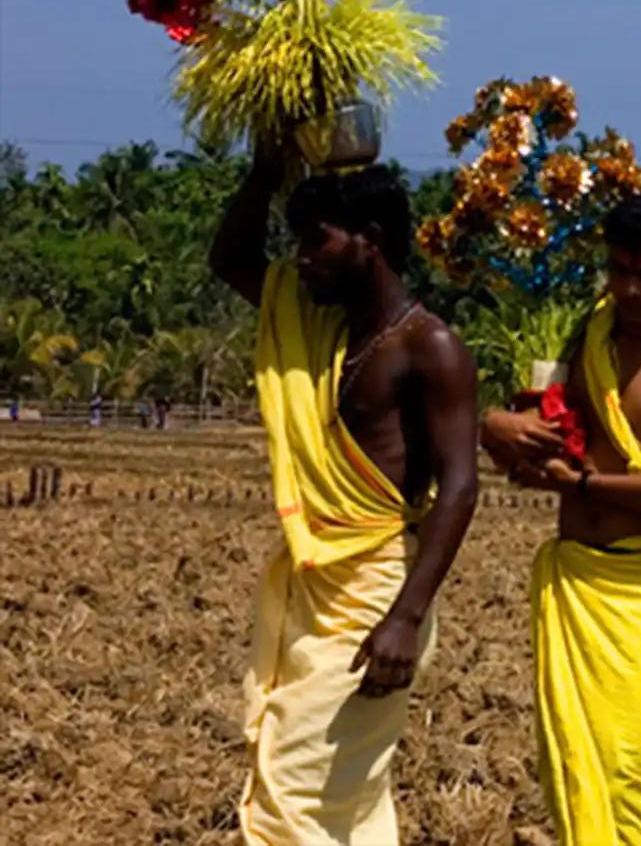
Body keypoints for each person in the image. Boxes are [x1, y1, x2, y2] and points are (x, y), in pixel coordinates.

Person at [210, 150, 480, 844]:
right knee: (349, 803)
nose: (300, 260)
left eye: (317, 239)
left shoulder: (431, 347)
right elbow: (230, 256)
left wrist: (405, 618)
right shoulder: (323, 327)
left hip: (374, 592)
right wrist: (269, 161)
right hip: (313, 582)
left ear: (372, 241)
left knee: (293, 797)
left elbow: (459, 485)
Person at [481, 191, 641, 845]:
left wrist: (587, 482)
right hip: (575, 585)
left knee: (628, 770)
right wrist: (503, 427)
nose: (628, 289)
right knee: (569, 770)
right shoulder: (586, 332)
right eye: (617, 270)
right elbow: (546, 424)